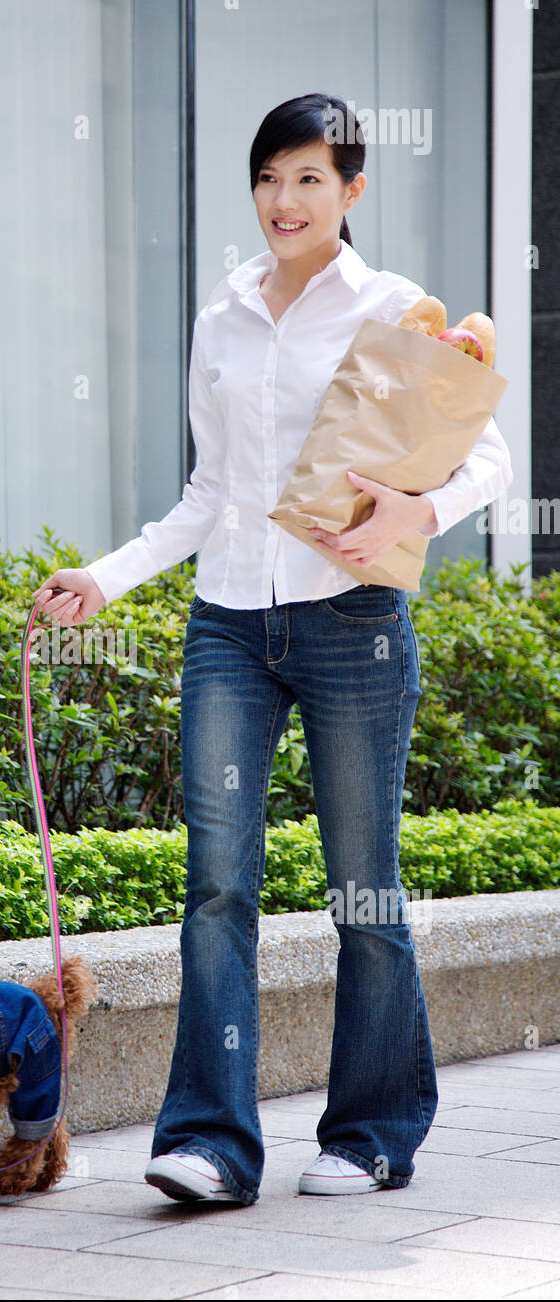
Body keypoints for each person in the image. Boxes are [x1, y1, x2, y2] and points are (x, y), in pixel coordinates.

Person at [30, 93, 512, 1204]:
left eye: (306, 179)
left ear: (350, 191)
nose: (281, 201)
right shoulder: (223, 317)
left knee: (362, 890)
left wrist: (414, 516)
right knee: (215, 888)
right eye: (266, 178)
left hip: (350, 626)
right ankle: (210, 1139)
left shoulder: (392, 308)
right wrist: (101, 578)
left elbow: (485, 455)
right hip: (228, 629)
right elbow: (207, 493)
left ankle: (373, 1131)